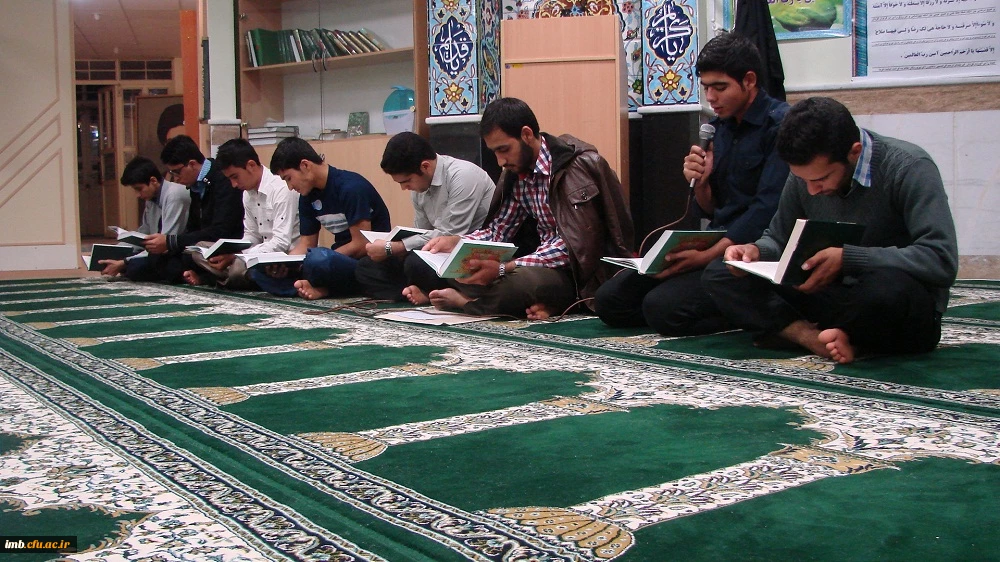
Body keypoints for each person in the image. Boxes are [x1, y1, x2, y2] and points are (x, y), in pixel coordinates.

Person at [703, 96, 959, 364]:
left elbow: (940, 259)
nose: (812, 190)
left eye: (822, 179)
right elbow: (778, 238)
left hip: (888, 303)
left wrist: (848, 258)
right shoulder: (806, 174)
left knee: (886, 290)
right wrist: (754, 251)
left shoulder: (909, 167)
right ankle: (812, 338)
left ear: (854, 152)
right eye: (803, 180)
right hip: (830, 296)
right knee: (722, 272)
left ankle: (837, 335)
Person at [594, 31, 789, 336]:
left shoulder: (780, 126)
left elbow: (767, 210)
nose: (711, 97)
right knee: (610, 300)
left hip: (748, 251)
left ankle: (744, 313)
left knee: (662, 309)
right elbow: (710, 209)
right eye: (706, 87)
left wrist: (707, 256)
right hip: (714, 241)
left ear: (749, 80)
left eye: (720, 88)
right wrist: (701, 183)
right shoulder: (718, 129)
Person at [405, 97, 633, 319]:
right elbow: (499, 231)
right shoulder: (517, 173)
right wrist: (458, 242)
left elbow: (574, 248)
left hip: (577, 273)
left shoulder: (577, 168)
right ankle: (502, 300)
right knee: (427, 264)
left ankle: (465, 303)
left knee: (511, 287)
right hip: (534, 263)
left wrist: (506, 267)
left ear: (526, 134)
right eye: (495, 152)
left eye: (504, 149)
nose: (500, 161)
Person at [354, 132, 495, 301]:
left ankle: (426, 292)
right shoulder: (419, 187)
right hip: (436, 252)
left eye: (406, 181)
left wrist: (395, 247)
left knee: (415, 264)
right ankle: (420, 292)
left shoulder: (463, 176)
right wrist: (394, 247)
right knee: (366, 267)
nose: (404, 188)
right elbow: (421, 232)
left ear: (425, 166)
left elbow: (450, 235)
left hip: (469, 252)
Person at [258, 136, 391, 300]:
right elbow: (306, 244)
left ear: (305, 165)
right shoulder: (307, 195)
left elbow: (361, 245)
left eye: (289, 178)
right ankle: (314, 286)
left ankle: (321, 288)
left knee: (319, 260)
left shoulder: (351, 187)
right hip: (334, 261)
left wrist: (313, 260)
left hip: (366, 261)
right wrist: (285, 263)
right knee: (259, 271)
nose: (290, 187)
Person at [182, 138, 300, 289]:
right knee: (200, 250)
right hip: (255, 254)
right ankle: (240, 277)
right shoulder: (247, 194)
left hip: (281, 256)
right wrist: (231, 251)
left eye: (235, 177)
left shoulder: (281, 188)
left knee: (237, 269)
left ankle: (216, 279)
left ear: (251, 165)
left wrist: (237, 256)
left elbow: (281, 243)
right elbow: (252, 235)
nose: (234, 184)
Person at [150, 135, 244, 284]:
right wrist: (171, 244)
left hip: (224, 245)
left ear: (192, 164)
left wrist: (172, 241)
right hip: (203, 247)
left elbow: (222, 230)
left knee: (187, 258)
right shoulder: (195, 185)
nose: (175, 178)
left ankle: (208, 277)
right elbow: (194, 227)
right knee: (161, 258)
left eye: (177, 172)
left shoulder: (223, 178)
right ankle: (203, 276)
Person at [99, 156, 191, 279]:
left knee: (135, 267)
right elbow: (144, 234)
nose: (138, 195)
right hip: (158, 250)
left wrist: (124, 262)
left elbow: (165, 243)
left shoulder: (175, 195)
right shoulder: (151, 199)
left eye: (139, 189)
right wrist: (117, 251)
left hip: (177, 250)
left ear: (153, 181)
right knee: (125, 259)